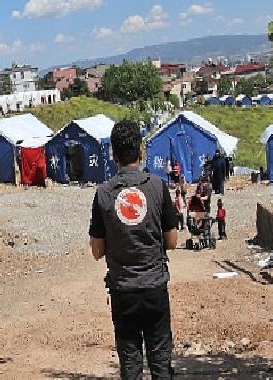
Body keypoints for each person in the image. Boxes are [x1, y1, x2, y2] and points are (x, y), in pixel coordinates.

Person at [89, 120, 179, 379]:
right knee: (161, 363)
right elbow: (172, 241)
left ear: (113, 154)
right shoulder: (158, 186)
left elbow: (97, 251)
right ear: (140, 151)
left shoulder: (103, 194)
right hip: (154, 288)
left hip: (123, 291)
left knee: (130, 364)